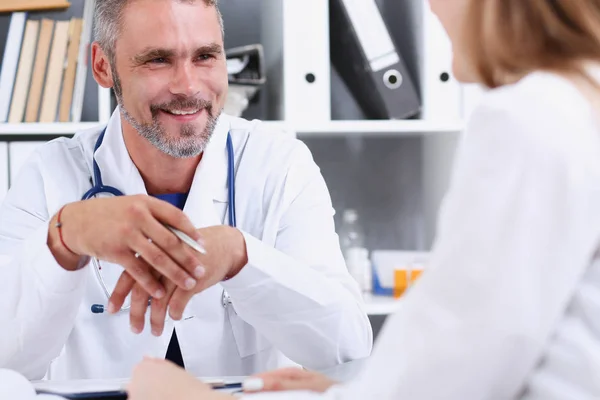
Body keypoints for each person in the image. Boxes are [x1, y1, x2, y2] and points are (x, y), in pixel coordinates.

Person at [126, 0, 600, 399]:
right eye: (157, 59)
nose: (431, 7)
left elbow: (455, 367)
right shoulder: (578, 100)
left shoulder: (533, 117)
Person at [0, 0, 373, 381]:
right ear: (103, 66)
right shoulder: (49, 177)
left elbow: (344, 347)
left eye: (205, 56)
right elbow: (7, 361)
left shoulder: (279, 165)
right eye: (158, 60)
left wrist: (240, 257)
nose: (188, 86)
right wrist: (64, 240)